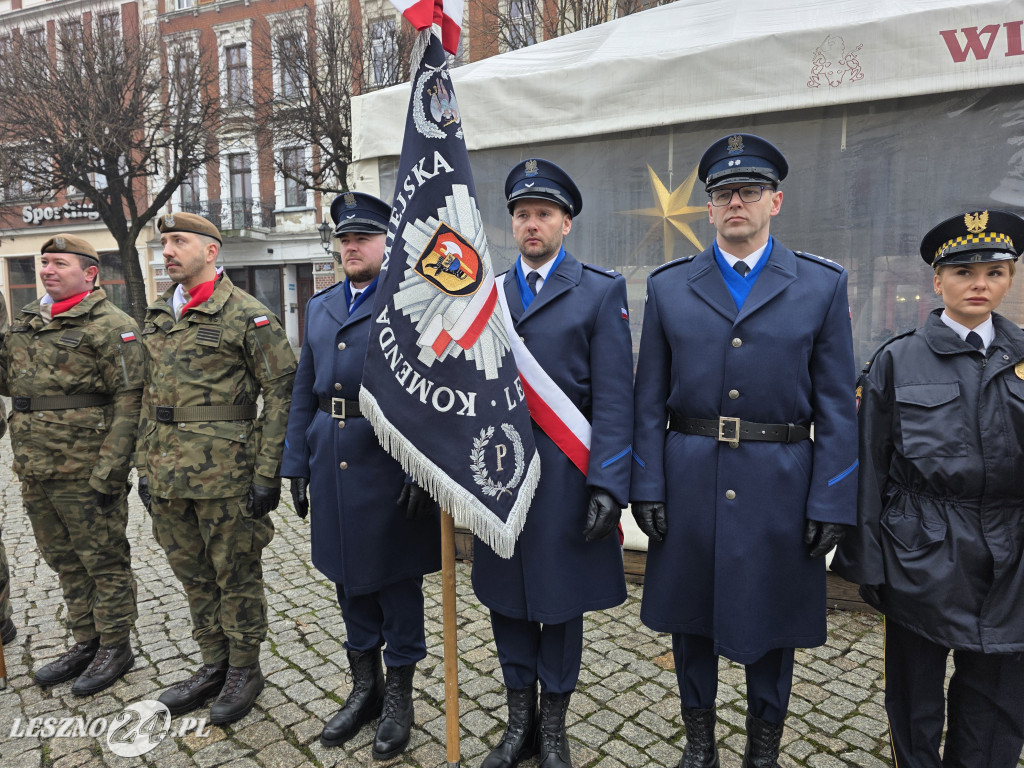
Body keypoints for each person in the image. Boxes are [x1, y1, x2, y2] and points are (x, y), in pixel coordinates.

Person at [631, 134, 858, 768]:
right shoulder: (672, 287)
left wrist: (833, 498)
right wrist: (646, 484)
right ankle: (699, 743)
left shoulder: (819, 285)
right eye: (723, 193)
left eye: (749, 191)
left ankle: (764, 748)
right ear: (709, 209)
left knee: (772, 621)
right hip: (690, 473)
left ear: (775, 201)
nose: (736, 201)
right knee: (690, 620)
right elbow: (649, 399)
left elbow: (839, 403)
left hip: (779, 481)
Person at [832, 210, 1024, 768]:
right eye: (964, 272)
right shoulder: (898, 359)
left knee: (999, 697)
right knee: (915, 697)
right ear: (937, 281)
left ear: (1010, 279)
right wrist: (865, 561)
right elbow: (870, 467)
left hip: (1011, 554)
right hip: (923, 550)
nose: (980, 284)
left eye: (994, 271)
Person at [473, 159, 633, 768]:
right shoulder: (487, 295)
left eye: (543, 214)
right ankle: (519, 724)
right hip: (501, 475)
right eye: (521, 215)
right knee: (506, 600)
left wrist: (608, 484)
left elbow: (617, 397)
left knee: (560, 606)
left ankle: (556, 727)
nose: (531, 224)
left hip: (567, 477)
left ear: (567, 222)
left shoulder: (599, 290)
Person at [282, 192, 441, 759]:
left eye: (363, 238)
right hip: (332, 459)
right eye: (344, 240)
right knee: (347, 580)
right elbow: (304, 389)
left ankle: (399, 697)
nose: (351, 247)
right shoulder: (321, 307)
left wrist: (426, 472)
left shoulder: (414, 304)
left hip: (389, 463)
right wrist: (296, 463)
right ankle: (364, 688)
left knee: (396, 585)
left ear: (388, 244)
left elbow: (435, 398)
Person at [136, 212, 296, 725]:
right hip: (167, 475)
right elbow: (147, 396)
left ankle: (244, 669)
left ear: (211, 250)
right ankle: (212, 664)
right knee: (194, 575)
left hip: (226, 475)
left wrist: (268, 472)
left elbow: (282, 392)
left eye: (179, 241)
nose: (167, 251)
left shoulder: (247, 315)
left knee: (235, 573)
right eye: (164, 243)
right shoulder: (159, 314)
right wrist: (143, 465)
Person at [0, 234, 144, 695]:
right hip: (35, 467)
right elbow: (10, 383)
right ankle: (87, 640)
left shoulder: (111, 325)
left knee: (103, 560)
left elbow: (131, 399)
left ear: (89, 273)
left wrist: (113, 469)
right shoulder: (26, 323)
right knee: (63, 560)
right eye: (44, 263)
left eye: (59, 263)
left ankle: (116, 647)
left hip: (86, 468)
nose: (46, 270)